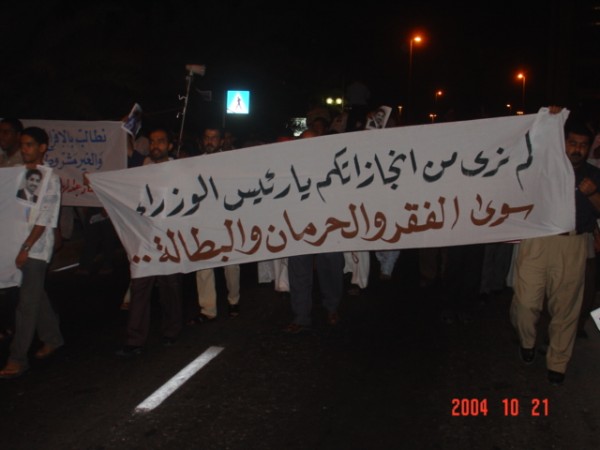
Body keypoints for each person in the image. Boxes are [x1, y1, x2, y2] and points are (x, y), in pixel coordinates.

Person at [510, 109, 600, 385]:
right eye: (572, 143)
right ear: (562, 142)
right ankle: (527, 341)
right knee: (525, 303)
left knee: (566, 308)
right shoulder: (542, 167)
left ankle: (558, 362)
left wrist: (593, 194)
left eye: (583, 145)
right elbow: (525, 144)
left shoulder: (593, 176)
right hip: (538, 241)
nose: (577, 150)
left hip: (572, 244)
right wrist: (546, 118)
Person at [0, 127, 64, 379]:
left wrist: (26, 248)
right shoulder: (20, 175)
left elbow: (44, 219)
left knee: (26, 305)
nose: (24, 149)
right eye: (22, 144)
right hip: (16, 245)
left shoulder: (49, 179)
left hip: (34, 249)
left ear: (42, 147)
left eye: (29, 145)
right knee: (36, 295)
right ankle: (53, 337)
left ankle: (17, 359)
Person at [116, 126, 183, 357]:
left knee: (169, 288)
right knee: (139, 287)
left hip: (169, 240)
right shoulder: (141, 168)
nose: (155, 145)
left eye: (161, 141)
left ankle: (172, 330)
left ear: (170, 146)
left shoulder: (179, 170)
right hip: (144, 239)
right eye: (153, 141)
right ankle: (134, 340)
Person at [284, 129, 345, 333]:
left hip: (328, 227)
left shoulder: (333, 165)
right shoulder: (290, 168)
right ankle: (300, 316)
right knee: (299, 271)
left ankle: (332, 307)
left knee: (332, 266)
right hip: (300, 228)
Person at [190, 126, 241, 323]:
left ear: (221, 141)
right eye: (207, 137)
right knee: (203, 265)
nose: (210, 141)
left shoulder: (230, 163)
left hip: (227, 222)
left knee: (231, 265)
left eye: (214, 138)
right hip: (203, 221)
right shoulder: (194, 164)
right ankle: (207, 309)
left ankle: (234, 300)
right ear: (202, 140)